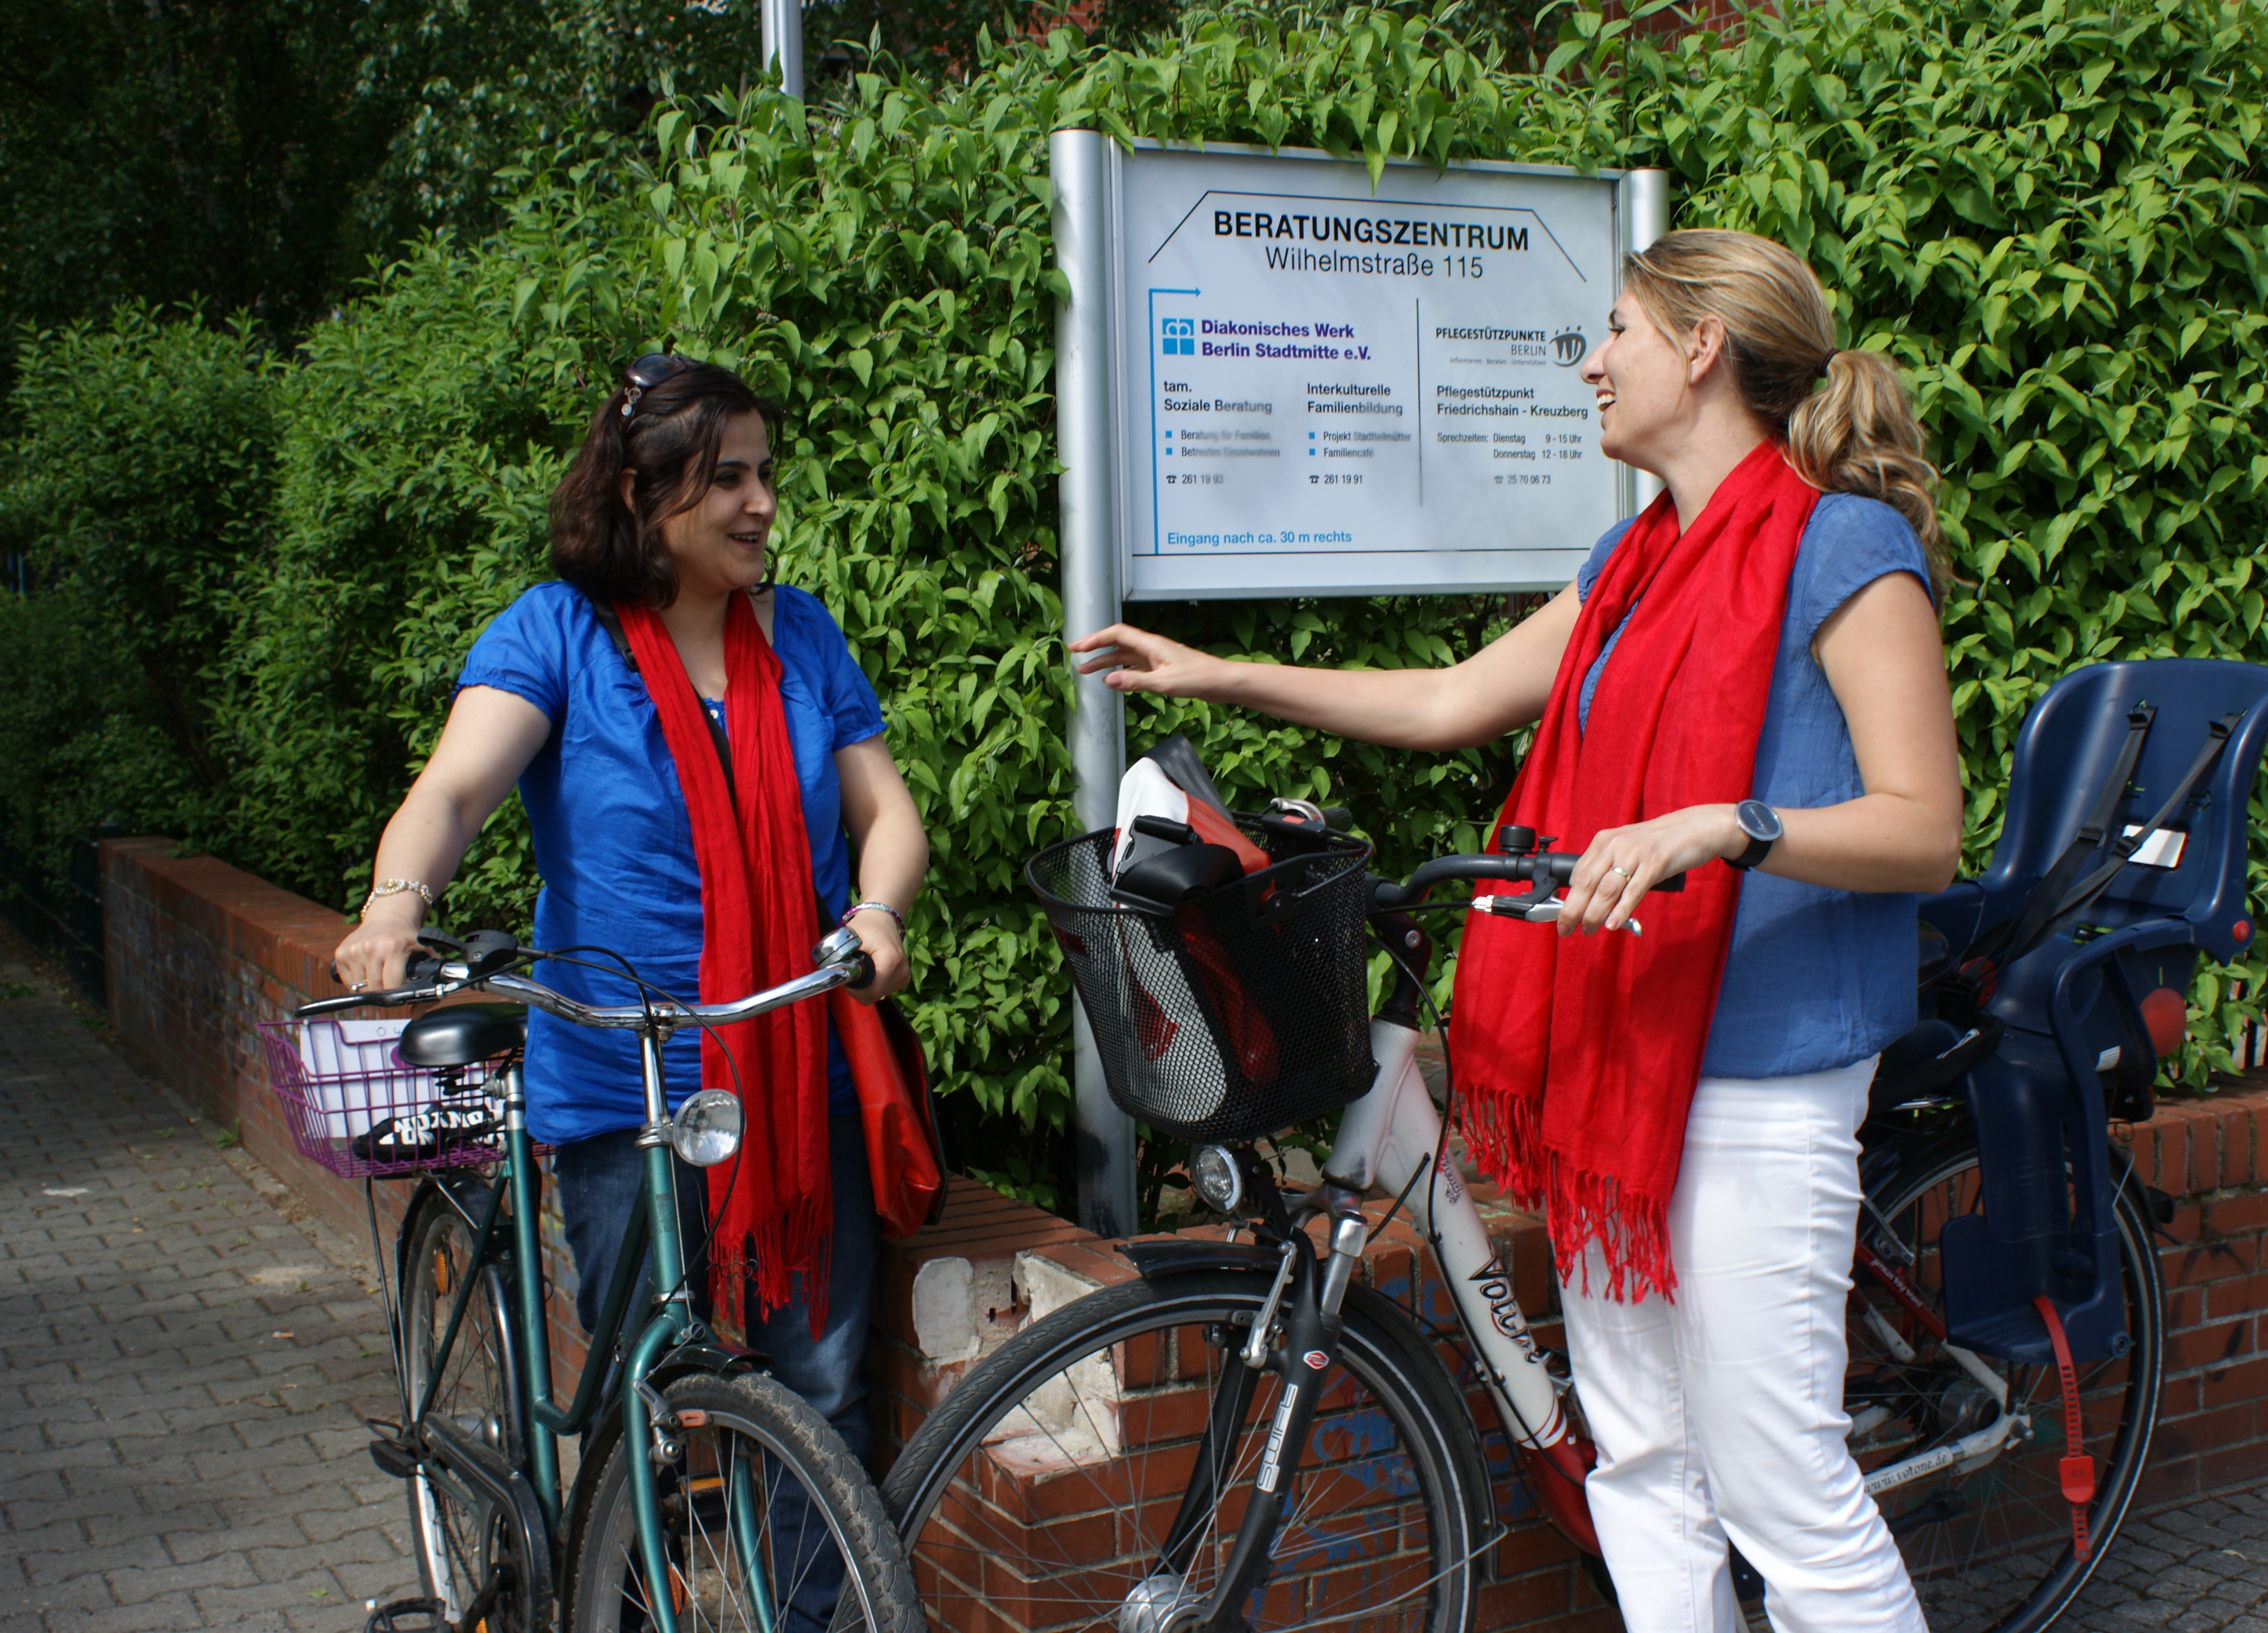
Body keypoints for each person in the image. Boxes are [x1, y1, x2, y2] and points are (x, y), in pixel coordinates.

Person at [1072, 229, 1960, 1633]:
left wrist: (1729, 825)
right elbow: (1446, 700)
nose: (1594, 363)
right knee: (1649, 1457)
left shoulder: (1840, 541)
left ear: (1701, 348)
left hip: (1763, 1070)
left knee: (1779, 1476)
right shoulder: (1632, 562)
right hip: (1620, 1059)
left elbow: (1925, 823)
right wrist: (1215, 669)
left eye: (1615, 331)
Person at [334, 354, 927, 1630]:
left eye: (767, 472)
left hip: (786, 1060)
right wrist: (395, 907)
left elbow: (887, 814)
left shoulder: (804, 634)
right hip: (620, 1080)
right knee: (633, 1403)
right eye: (728, 478)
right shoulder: (557, 634)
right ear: (640, 493)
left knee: (817, 1396)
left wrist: (875, 910)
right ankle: (621, 1593)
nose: (763, 500)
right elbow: (453, 792)